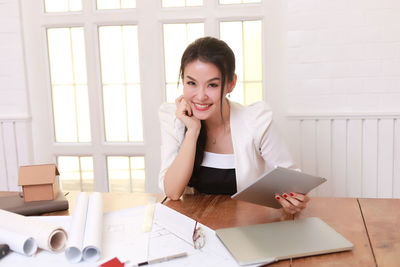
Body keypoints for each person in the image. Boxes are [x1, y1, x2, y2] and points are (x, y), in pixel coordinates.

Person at [159, 36, 309, 216]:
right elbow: (172, 192)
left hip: (245, 227)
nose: (200, 96)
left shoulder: (256, 121)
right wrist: (193, 131)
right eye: (191, 83)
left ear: (231, 83)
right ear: (182, 81)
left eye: (212, 85)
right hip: (195, 228)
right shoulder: (173, 119)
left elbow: (291, 180)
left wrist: (293, 199)